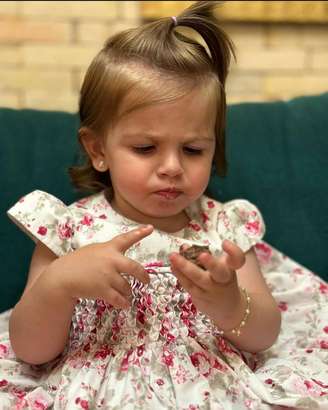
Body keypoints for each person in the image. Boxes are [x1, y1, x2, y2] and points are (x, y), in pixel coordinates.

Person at [0, 1, 327, 409]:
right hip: (95, 389)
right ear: (98, 149)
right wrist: (60, 284)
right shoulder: (69, 230)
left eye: (192, 149)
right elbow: (31, 350)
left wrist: (229, 305)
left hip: (211, 387)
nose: (172, 167)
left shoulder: (223, 228)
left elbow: (265, 334)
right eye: (145, 147)